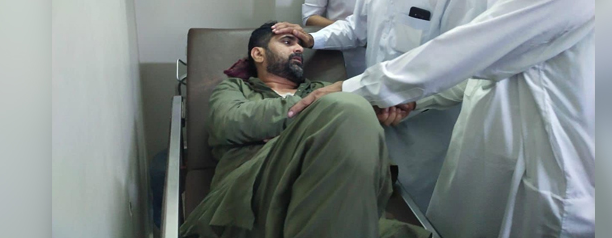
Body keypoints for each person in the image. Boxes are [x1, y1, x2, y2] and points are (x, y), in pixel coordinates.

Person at [277, 0, 595, 237]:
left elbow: (464, 55)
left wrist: (351, 91)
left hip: (456, 146)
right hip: (426, 132)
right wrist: (319, 41)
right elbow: (358, 29)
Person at [275, 0, 488, 211]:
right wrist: (312, 38)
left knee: (416, 219)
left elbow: (468, 73)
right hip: (376, 123)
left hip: (427, 137)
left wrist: (412, 101)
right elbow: (356, 29)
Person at [180, 22, 430, 238]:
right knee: (347, 106)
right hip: (254, 196)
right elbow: (229, 123)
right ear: (258, 54)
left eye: (300, 44)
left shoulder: (325, 90)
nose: (299, 48)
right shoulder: (237, 89)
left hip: (326, 188)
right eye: (287, 41)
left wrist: (369, 108)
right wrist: (316, 118)